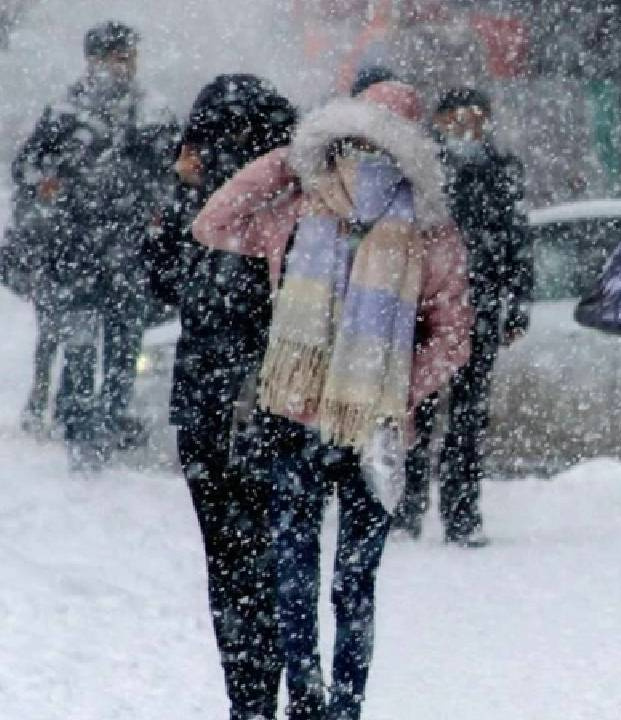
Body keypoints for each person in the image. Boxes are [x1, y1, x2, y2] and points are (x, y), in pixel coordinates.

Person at [194, 80, 471, 720]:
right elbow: (453, 336)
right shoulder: (335, 214)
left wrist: (389, 390)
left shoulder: (312, 210)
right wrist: (393, 388)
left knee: (310, 576)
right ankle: (332, 704)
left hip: (324, 420)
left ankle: (319, 701)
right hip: (338, 424)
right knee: (341, 582)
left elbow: (214, 220)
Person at [147, 73, 296, 720]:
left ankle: (255, 696)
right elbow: (161, 278)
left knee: (240, 569)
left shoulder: (247, 209)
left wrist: (181, 194)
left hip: (235, 407)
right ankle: (267, 694)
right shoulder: (284, 196)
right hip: (251, 408)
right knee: (264, 564)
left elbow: (163, 278)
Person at [11, 20, 176, 467]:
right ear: (94, 61)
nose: (122, 66)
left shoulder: (153, 112)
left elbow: (173, 175)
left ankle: (107, 422)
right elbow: (26, 170)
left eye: (127, 57)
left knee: (124, 347)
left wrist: (160, 206)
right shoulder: (65, 113)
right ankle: (81, 425)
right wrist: (48, 187)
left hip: (129, 253)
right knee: (82, 344)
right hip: (77, 251)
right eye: (115, 57)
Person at [392, 86, 532, 546]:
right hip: (427, 310)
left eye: (478, 119)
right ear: (441, 120)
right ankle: (407, 507)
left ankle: (462, 513)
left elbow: (518, 239)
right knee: (419, 410)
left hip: (480, 308)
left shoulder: (500, 170)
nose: (469, 129)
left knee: (469, 418)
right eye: (459, 119)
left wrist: (517, 305)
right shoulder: (421, 169)